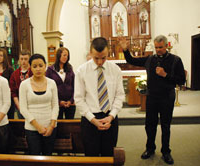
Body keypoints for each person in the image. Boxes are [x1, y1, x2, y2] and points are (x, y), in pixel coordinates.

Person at [119, 35, 186, 165]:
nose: (158, 50)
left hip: (167, 97)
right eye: (156, 47)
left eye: (160, 47)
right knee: (150, 125)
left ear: (166, 46)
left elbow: (181, 80)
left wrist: (165, 75)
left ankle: (166, 151)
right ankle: (150, 148)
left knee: (165, 126)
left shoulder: (176, 60)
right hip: (152, 98)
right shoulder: (150, 59)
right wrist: (125, 49)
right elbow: (132, 60)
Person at [75, 37, 125, 156]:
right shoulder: (82, 71)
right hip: (90, 119)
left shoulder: (115, 70)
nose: (100, 62)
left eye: (104, 58)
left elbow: (119, 95)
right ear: (91, 53)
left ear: (108, 52)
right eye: (96, 58)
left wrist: (111, 116)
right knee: (91, 157)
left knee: (109, 156)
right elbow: (79, 98)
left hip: (110, 118)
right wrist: (93, 119)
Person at [19, 54, 59, 155]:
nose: (38, 69)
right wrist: (38, 127)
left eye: (41, 66)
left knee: (48, 156)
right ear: (30, 67)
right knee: (34, 156)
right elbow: (23, 108)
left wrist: (51, 125)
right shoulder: (24, 84)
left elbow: (55, 105)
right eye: (35, 66)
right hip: (32, 128)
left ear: (45, 66)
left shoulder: (52, 83)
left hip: (50, 127)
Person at [46, 47, 75, 119]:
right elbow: (48, 87)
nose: (66, 57)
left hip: (70, 103)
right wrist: (59, 101)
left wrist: (71, 100)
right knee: (58, 125)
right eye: (64, 55)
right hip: (56, 103)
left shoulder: (69, 68)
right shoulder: (50, 70)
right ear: (59, 55)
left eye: (67, 56)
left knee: (70, 125)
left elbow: (74, 85)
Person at [9, 50, 33, 119]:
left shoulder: (33, 72)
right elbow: (13, 92)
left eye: (26, 59)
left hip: (32, 104)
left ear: (29, 60)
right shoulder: (14, 74)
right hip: (20, 104)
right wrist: (19, 106)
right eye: (21, 59)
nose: (23, 61)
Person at [0, 48, 15, 119]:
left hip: (7, 96)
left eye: (1, 55)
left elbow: (12, 84)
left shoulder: (9, 69)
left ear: (4, 57)